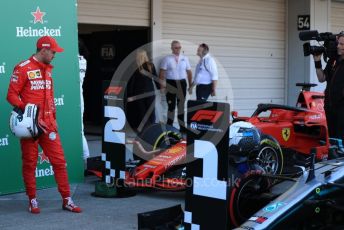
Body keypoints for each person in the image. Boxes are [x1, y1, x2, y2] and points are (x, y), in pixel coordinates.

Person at [6, 36, 82, 214]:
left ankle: (67, 200)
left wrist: (52, 119)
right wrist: (29, 111)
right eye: (53, 51)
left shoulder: (48, 69)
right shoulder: (23, 68)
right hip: (30, 126)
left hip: (49, 125)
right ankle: (32, 200)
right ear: (43, 50)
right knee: (30, 163)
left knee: (59, 162)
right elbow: (11, 96)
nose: (55, 54)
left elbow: (49, 98)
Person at [313, 32, 344, 141]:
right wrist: (317, 62)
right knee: (332, 140)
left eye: (342, 44)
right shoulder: (333, 60)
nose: (339, 47)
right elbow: (322, 78)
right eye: (338, 43)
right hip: (330, 107)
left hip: (342, 109)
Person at [159, 41, 192, 132]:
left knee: (181, 106)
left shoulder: (185, 58)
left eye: (179, 47)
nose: (178, 49)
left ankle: (182, 127)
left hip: (182, 83)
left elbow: (189, 72)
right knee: (171, 106)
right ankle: (169, 126)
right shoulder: (167, 59)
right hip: (170, 83)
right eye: (176, 48)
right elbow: (162, 73)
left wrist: (190, 85)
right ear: (172, 48)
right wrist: (162, 87)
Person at [127, 49, 158, 133]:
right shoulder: (150, 65)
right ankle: (152, 130)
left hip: (139, 93)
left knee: (142, 113)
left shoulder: (135, 66)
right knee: (151, 112)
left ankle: (143, 131)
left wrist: (130, 95)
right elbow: (155, 78)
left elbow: (131, 82)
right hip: (150, 91)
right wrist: (159, 88)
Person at [78, 39, 90, 162]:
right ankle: (86, 158)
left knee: (79, 130)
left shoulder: (75, 60)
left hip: (75, 98)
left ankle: (86, 158)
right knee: (80, 129)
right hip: (79, 96)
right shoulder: (83, 60)